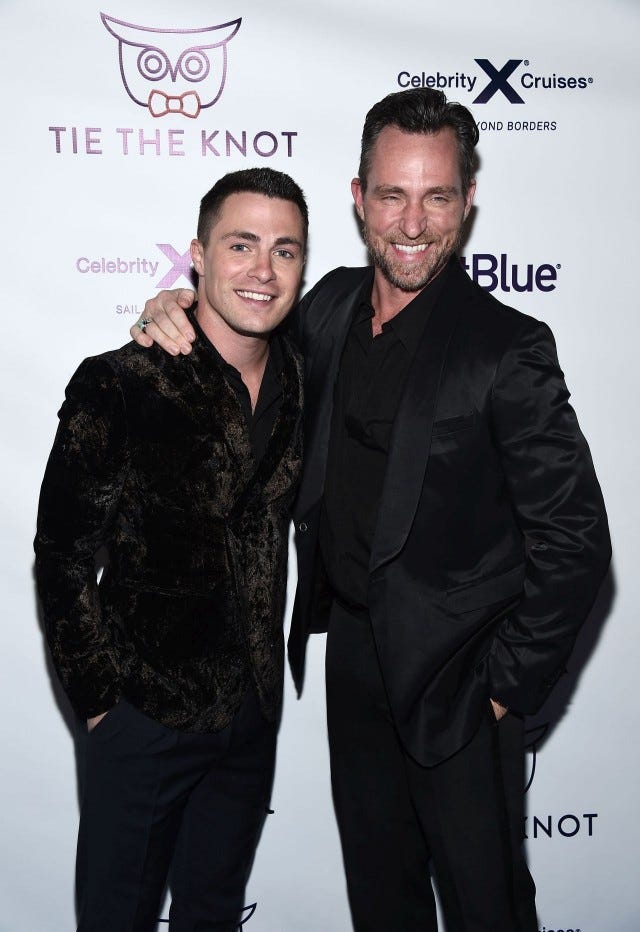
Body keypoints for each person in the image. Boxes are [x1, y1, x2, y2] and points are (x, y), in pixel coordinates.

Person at [131, 89, 611, 931]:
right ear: (359, 199)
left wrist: (503, 689)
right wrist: (176, 304)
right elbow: (243, 344)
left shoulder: (507, 347)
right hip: (353, 660)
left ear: (467, 200)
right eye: (392, 195)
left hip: (461, 678)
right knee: (382, 903)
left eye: (437, 196)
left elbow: (576, 539)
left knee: (488, 909)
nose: (412, 223)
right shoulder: (327, 308)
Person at [34, 167, 307, 932]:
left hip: (250, 718)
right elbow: (60, 554)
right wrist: (102, 705)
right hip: (143, 714)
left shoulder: (305, 374)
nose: (263, 269)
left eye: (285, 250)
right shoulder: (120, 383)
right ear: (198, 255)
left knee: (212, 915)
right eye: (241, 245)